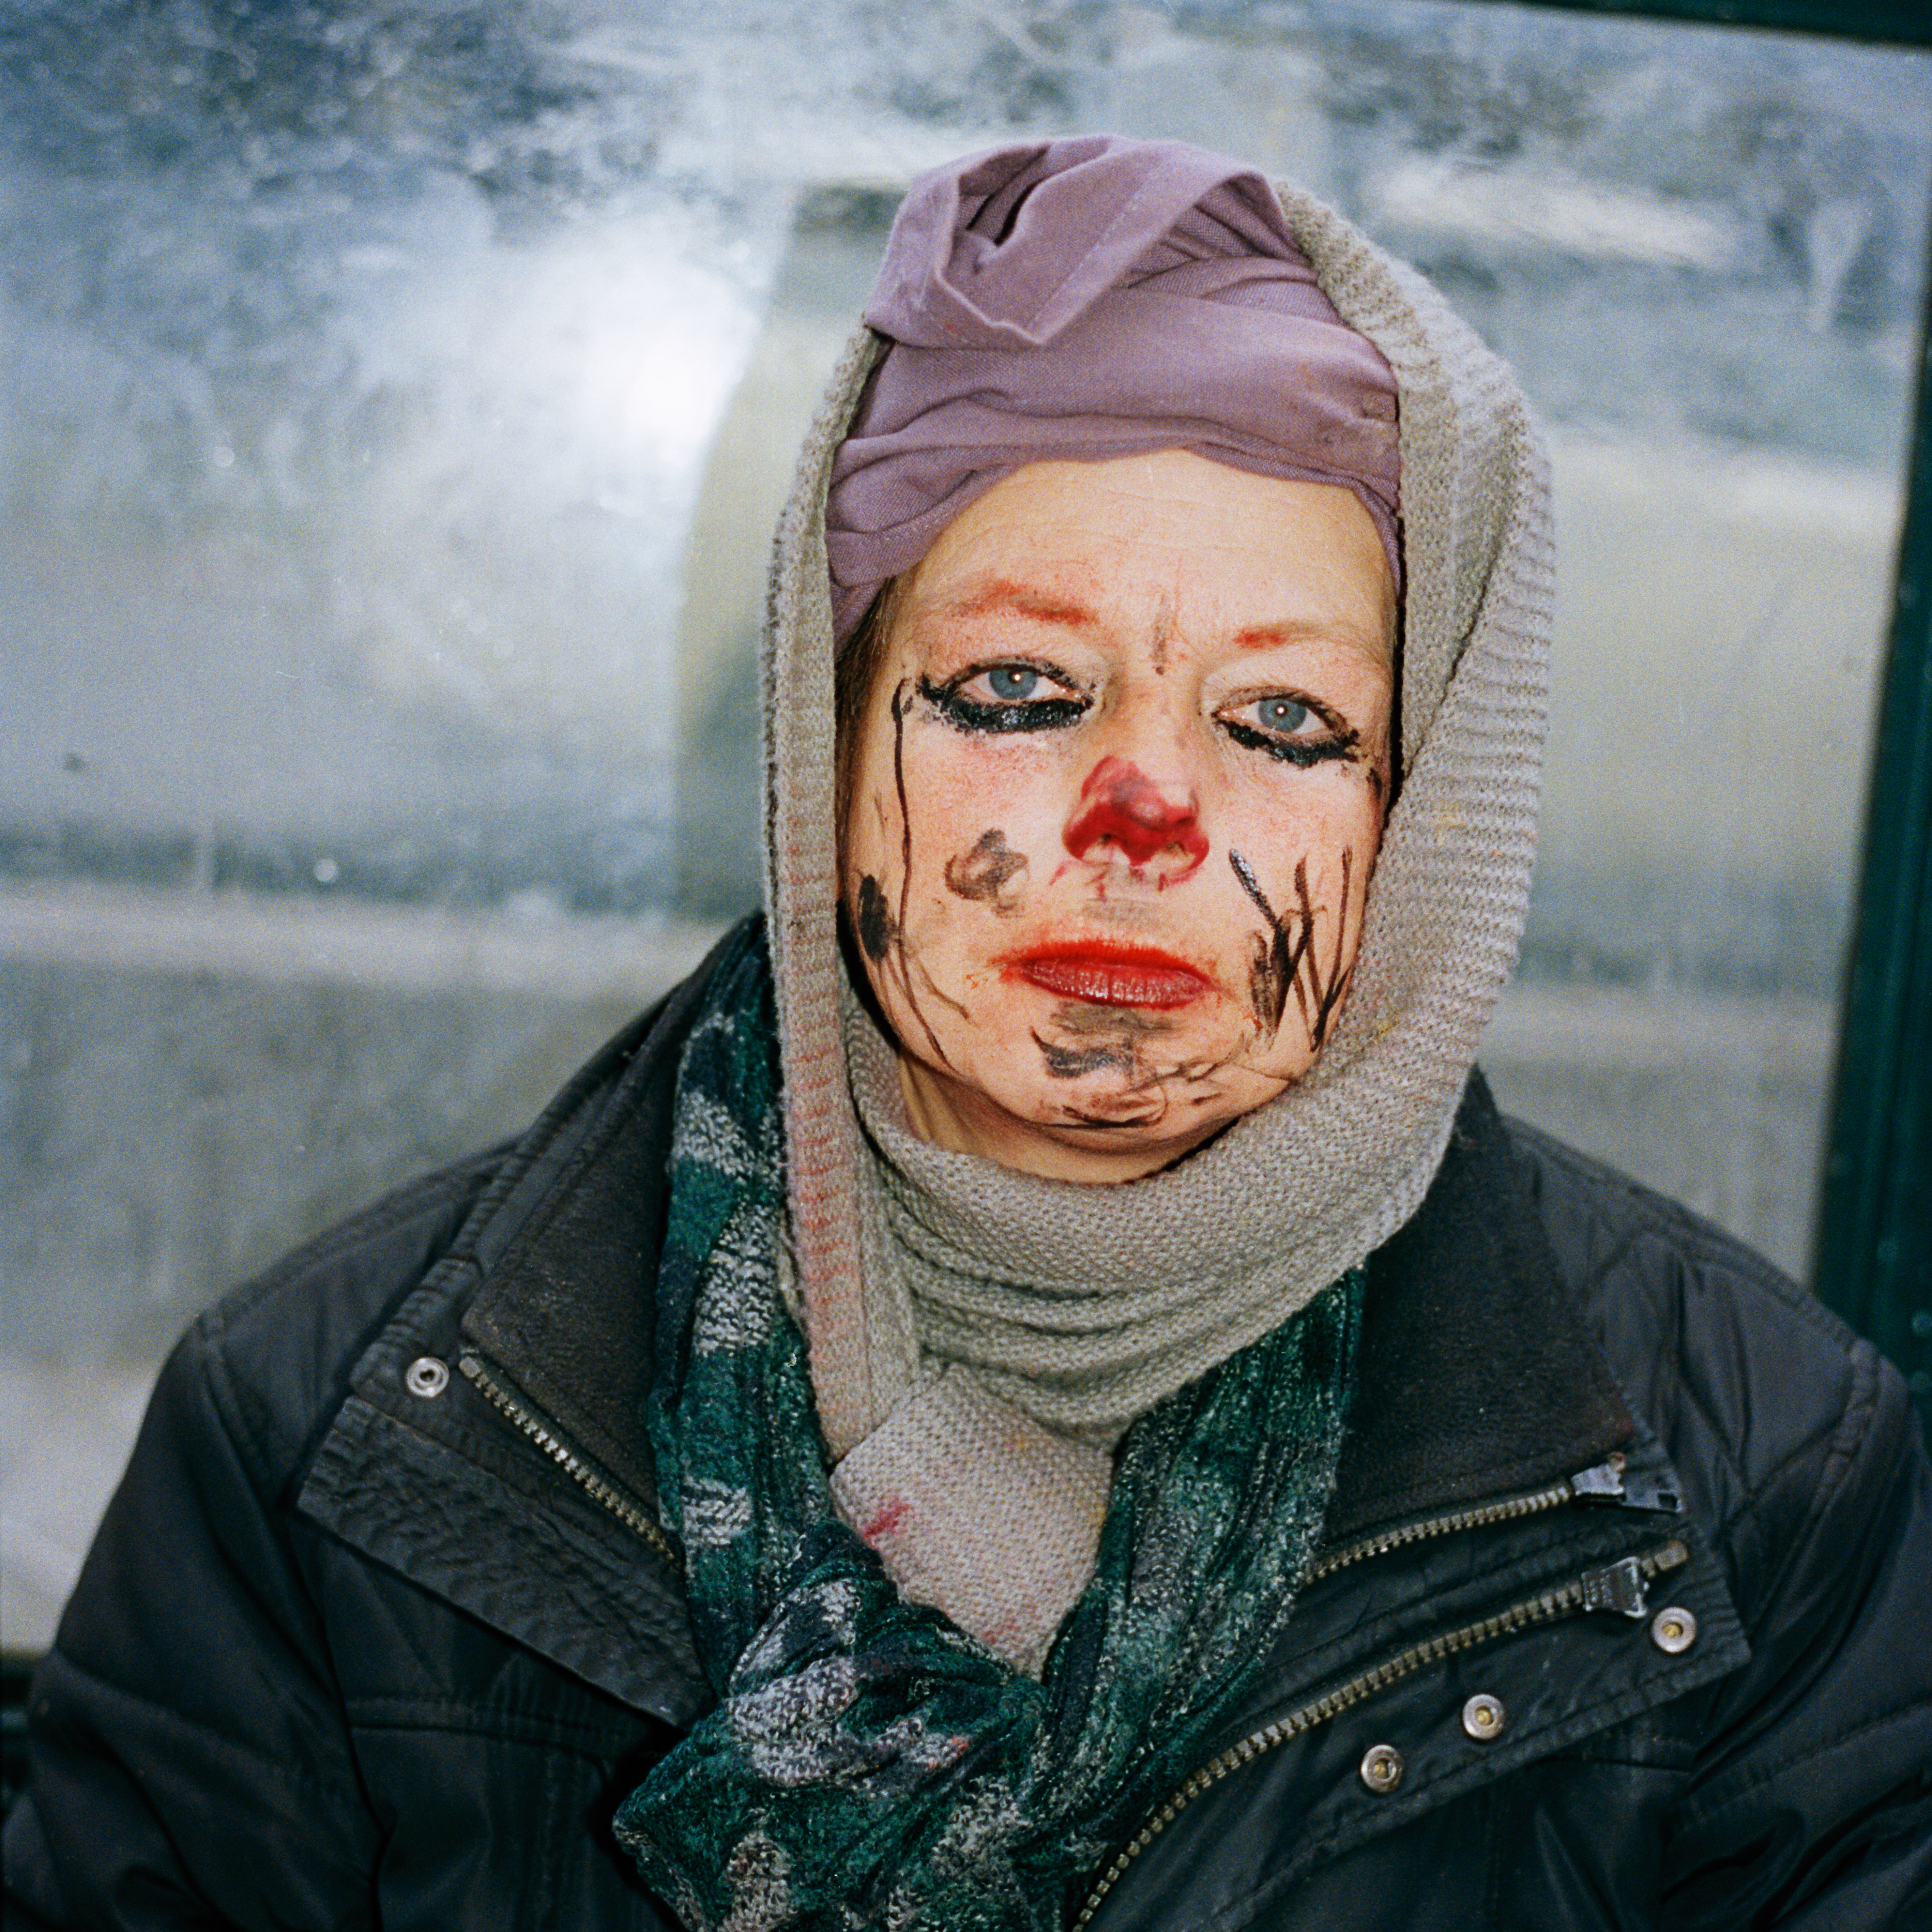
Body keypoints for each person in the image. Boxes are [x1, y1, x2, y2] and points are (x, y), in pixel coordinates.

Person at [6, 135, 1931, 1932]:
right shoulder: (323, 1438)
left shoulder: (1761, 1488)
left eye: (1282, 727)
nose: (1138, 819)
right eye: (1015, 689)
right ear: (822, 753)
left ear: (1424, 815)